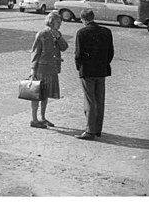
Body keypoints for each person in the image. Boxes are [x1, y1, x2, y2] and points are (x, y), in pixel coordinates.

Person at [74, 10, 114, 140]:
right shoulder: (106, 31)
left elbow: (78, 54)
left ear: (83, 19)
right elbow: (110, 52)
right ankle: (97, 129)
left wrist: (79, 68)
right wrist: (104, 63)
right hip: (101, 70)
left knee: (90, 100)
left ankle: (90, 131)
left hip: (87, 70)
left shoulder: (82, 33)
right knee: (99, 99)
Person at [28, 12, 69, 129]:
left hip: (52, 68)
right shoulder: (42, 34)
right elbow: (35, 53)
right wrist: (32, 70)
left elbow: (64, 47)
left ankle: (42, 117)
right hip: (41, 68)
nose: (60, 25)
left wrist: (59, 37)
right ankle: (34, 119)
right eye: (58, 22)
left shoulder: (57, 34)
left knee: (45, 94)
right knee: (37, 94)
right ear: (51, 21)